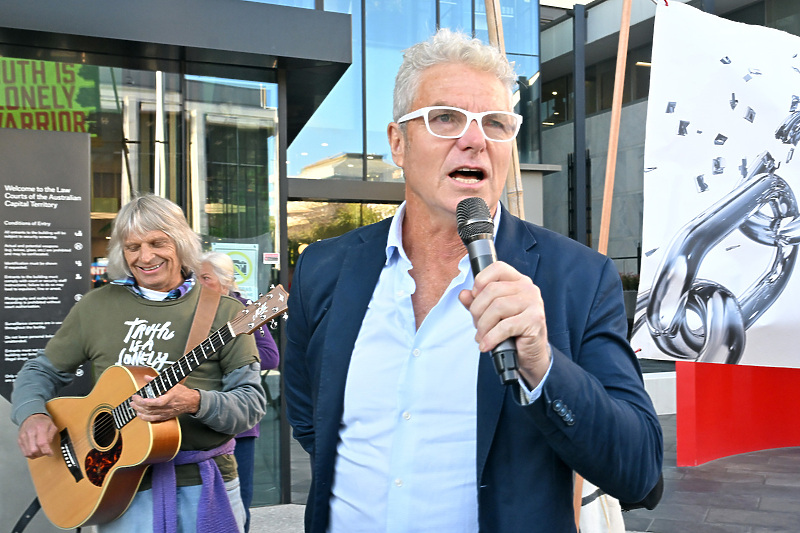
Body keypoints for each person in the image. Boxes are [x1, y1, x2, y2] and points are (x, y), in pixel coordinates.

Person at [283, 28, 663, 533]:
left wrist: (541, 365)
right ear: (398, 142)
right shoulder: (324, 268)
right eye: (445, 118)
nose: (474, 139)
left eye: (496, 123)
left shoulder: (577, 277)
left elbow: (639, 473)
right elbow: (314, 422)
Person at [11, 194, 267, 533]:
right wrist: (33, 413)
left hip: (204, 485)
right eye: (133, 247)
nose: (145, 257)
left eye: (157, 242)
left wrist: (195, 402)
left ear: (180, 242)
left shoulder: (226, 313)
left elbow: (251, 404)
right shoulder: (96, 307)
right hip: (118, 489)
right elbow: (39, 371)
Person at [198, 251, 280, 533]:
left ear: (224, 282)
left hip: (238, 426)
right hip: (198, 421)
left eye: (205, 278)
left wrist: (226, 355)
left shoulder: (247, 310)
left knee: (237, 506)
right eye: (195, 277)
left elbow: (270, 356)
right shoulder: (193, 310)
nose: (198, 284)